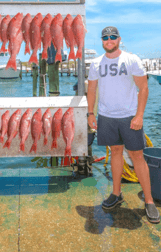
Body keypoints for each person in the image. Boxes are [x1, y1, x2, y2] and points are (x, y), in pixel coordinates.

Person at [87, 26, 160, 224]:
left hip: (129, 117)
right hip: (106, 117)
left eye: (112, 37)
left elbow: (143, 88)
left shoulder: (131, 59)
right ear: (102, 41)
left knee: (137, 156)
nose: (109, 40)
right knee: (116, 152)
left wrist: (139, 116)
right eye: (105, 37)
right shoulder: (95, 64)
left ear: (119, 39)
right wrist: (91, 113)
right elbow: (92, 90)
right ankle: (116, 194)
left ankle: (149, 201)